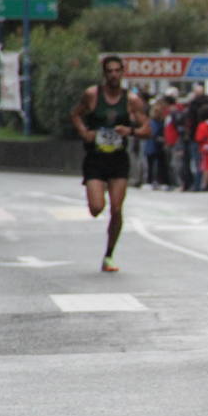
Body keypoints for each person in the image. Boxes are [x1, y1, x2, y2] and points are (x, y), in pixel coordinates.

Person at [69, 55, 150, 272]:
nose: (114, 75)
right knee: (97, 208)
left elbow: (147, 129)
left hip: (118, 159)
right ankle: (94, 197)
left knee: (116, 208)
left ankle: (108, 255)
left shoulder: (131, 100)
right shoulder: (92, 95)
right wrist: (84, 132)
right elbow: (75, 114)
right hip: (96, 159)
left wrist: (130, 131)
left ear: (123, 72)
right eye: (109, 71)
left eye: (117, 71)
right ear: (104, 73)